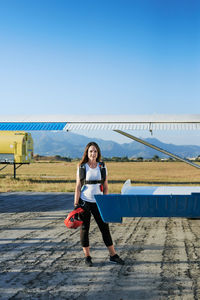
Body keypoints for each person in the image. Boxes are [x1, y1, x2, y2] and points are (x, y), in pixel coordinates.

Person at [74, 141, 124, 267]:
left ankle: (113, 255)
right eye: (91, 151)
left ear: (98, 153)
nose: (93, 153)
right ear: (87, 153)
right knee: (85, 229)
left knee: (104, 228)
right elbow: (78, 187)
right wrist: (76, 204)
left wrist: (105, 201)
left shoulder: (102, 166)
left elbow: (105, 186)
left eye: (95, 151)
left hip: (99, 202)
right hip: (85, 202)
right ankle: (87, 257)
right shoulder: (82, 166)